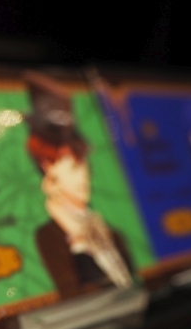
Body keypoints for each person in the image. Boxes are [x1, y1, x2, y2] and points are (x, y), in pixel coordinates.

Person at [24, 72, 134, 299]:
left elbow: (136, 285)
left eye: (83, 164)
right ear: (48, 169)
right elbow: (75, 296)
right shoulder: (50, 237)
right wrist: (80, 245)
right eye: (73, 167)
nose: (83, 176)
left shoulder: (110, 231)